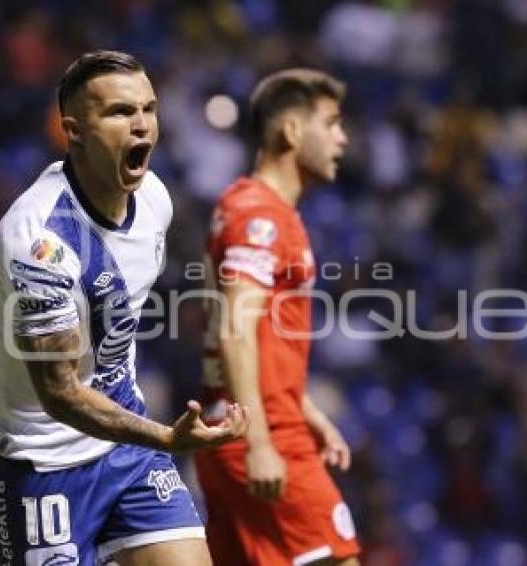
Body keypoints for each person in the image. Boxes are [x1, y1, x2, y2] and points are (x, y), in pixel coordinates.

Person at [0, 50, 249, 566]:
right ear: (73, 130)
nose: (142, 125)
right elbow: (61, 396)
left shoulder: (155, 202)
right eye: (120, 113)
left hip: (125, 440)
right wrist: (167, 438)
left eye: (148, 109)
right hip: (39, 461)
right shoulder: (39, 242)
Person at [195, 68, 361, 565]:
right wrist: (260, 442)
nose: (343, 138)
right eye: (330, 123)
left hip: (247, 426)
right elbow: (234, 328)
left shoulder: (246, 207)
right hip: (262, 433)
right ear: (290, 130)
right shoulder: (260, 216)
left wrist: (308, 412)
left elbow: (260, 338)